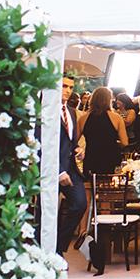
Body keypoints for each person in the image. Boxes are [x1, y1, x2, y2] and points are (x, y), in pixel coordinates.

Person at [57, 76, 87, 256]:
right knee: (47, 212)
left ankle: (58, 247)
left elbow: (69, 140)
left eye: (70, 87)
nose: (68, 90)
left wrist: (77, 149)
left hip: (71, 166)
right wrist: (58, 170)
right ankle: (49, 251)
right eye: (63, 86)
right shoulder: (45, 110)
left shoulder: (71, 111)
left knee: (80, 204)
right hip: (52, 168)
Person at [78, 86, 128, 177]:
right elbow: (125, 142)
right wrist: (114, 143)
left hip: (91, 157)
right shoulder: (116, 118)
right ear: (109, 100)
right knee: (110, 188)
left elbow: (74, 140)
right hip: (110, 157)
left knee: (91, 187)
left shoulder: (83, 118)